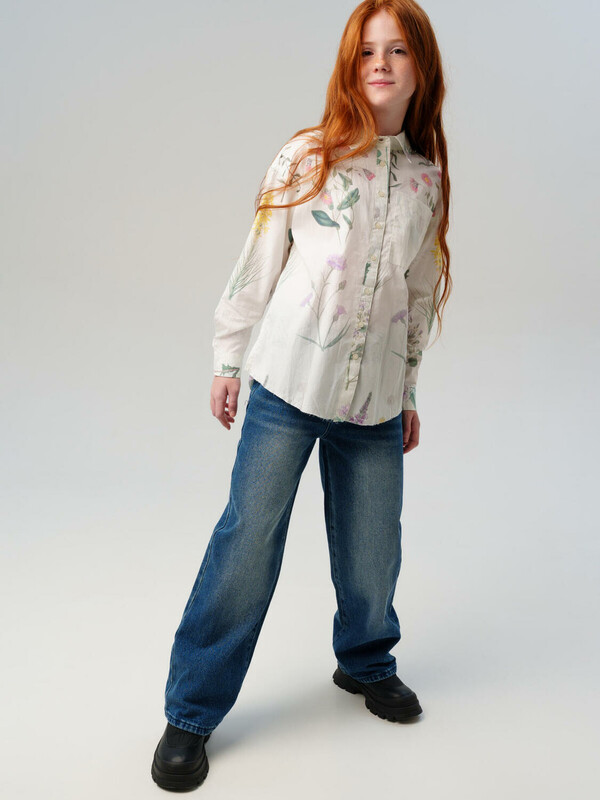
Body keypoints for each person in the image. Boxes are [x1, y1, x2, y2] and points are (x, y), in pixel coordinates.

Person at [151, 0, 452, 791]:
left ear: (421, 66)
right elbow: (259, 258)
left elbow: (418, 293)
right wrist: (227, 357)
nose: (380, 63)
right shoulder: (308, 156)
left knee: (373, 549)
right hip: (288, 386)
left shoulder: (427, 180)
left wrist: (408, 389)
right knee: (248, 540)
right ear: (350, 65)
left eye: (397, 50)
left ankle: (365, 661)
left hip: (375, 401)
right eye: (367, 51)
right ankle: (191, 711)